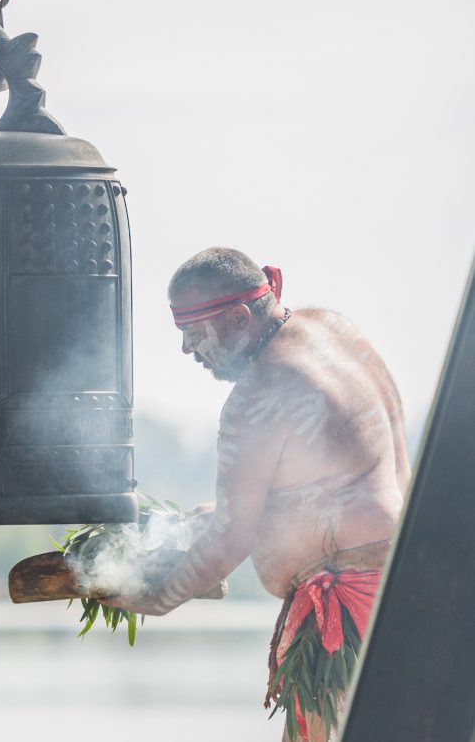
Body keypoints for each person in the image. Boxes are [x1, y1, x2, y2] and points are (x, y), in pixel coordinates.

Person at [101, 247, 410, 742]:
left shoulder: (259, 394)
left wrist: (151, 598)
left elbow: (230, 540)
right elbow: (328, 481)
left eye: (193, 333)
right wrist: (214, 518)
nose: (186, 350)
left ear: (240, 317)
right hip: (402, 587)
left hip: (351, 611)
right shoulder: (335, 331)